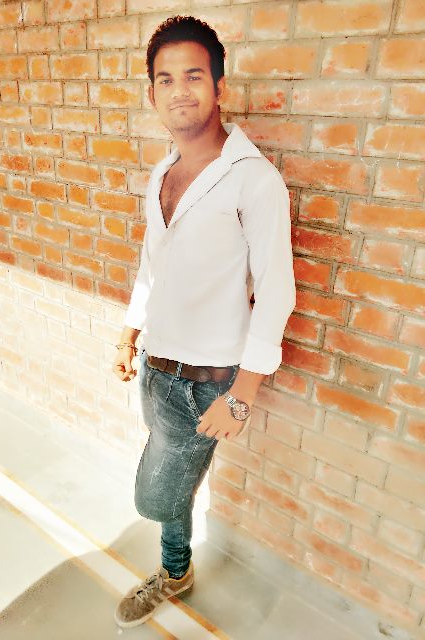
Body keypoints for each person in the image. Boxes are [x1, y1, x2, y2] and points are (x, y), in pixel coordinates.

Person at [112, 15, 296, 628]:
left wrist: (243, 394)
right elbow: (152, 263)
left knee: (156, 495)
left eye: (193, 76)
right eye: (165, 80)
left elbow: (277, 293)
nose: (179, 90)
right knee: (172, 488)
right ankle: (178, 566)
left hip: (207, 382)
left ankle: (173, 571)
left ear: (219, 86)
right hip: (156, 365)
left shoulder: (254, 179)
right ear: (152, 94)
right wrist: (130, 333)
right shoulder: (162, 174)